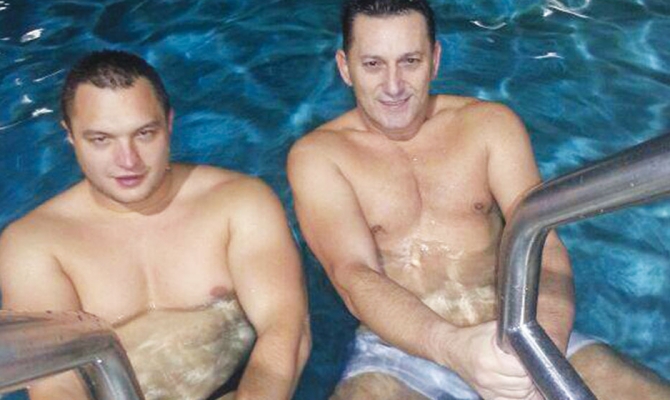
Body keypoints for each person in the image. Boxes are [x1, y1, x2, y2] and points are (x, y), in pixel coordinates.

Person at [287, 0, 670, 399]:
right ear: (345, 67)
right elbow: (354, 274)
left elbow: (544, 243)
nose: (394, 85)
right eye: (373, 65)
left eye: (410, 61)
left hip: (515, 326)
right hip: (400, 352)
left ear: (435, 60)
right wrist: (452, 347)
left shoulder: (489, 126)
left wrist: (540, 349)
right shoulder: (320, 156)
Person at [0, 50, 310, 400]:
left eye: (144, 133)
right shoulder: (35, 244)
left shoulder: (238, 204)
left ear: (169, 123)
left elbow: (285, 328)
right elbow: (57, 384)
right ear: (69, 135)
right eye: (101, 139)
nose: (128, 160)